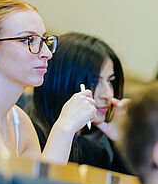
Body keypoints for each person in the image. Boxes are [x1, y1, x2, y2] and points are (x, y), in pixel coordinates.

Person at [0, 0, 95, 162]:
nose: (47, 53)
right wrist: (64, 128)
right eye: (29, 40)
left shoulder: (19, 119)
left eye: (44, 40)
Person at [26, 32, 132, 173]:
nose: (108, 94)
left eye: (110, 81)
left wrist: (121, 142)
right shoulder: (30, 133)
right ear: (63, 81)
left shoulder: (95, 153)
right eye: (94, 82)